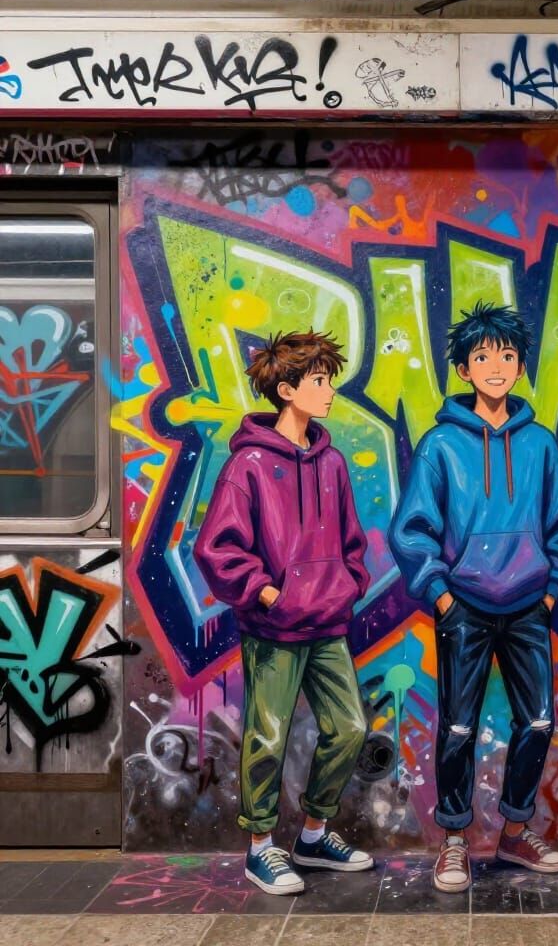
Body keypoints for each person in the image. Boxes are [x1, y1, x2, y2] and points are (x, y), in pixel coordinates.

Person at [388, 301, 558, 894]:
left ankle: (516, 832)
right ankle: (453, 840)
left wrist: (551, 591)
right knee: (458, 728)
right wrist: (441, 595)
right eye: (481, 356)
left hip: (528, 606)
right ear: (464, 369)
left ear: (520, 367)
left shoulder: (542, 445)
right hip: (464, 607)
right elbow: (412, 528)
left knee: (539, 719)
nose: (494, 365)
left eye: (505, 355)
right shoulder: (440, 445)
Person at [195, 330, 373, 895]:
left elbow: (351, 541)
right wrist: (267, 593)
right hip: (272, 628)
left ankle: (315, 835)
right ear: (289, 389)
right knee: (266, 738)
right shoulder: (248, 464)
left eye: (329, 381)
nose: (329, 392)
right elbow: (216, 548)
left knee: (348, 728)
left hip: (327, 625)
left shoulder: (333, 462)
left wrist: (348, 584)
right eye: (320, 382)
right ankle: (260, 848)